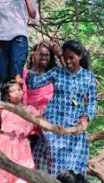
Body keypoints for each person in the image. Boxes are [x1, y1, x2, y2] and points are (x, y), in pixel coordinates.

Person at [26, 40, 97, 176]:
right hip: (52, 126)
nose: (68, 61)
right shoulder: (57, 72)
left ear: (80, 56)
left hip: (74, 128)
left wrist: (86, 117)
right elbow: (32, 83)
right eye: (65, 58)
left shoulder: (88, 76)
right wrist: (35, 64)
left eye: (72, 58)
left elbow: (93, 102)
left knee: (73, 171)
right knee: (51, 164)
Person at [0, 80, 40, 183]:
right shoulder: (3, 107)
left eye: (19, 89)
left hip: (22, 146)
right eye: (12, 91)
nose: (16, 93)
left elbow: (42, 121)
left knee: (23, 176)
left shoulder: (30, 109)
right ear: (7, 95)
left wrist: (54, 127)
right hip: (4, 144)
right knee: (2, 175)